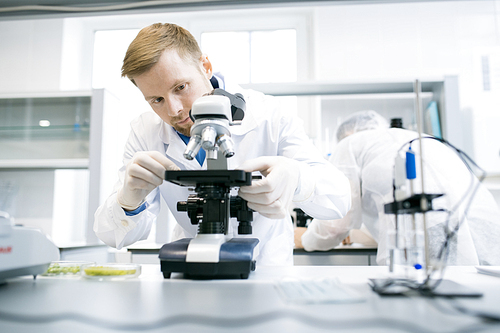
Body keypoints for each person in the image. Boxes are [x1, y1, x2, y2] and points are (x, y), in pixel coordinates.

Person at [93, 23, 351, 266]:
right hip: (191, 267)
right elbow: (115, 237)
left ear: (205, 66)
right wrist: (129, 199)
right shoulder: (144, 131)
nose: (175, 109)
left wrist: (297, 178)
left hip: (265, 268)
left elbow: (339, 201)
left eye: (181, 87)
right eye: (156, 100)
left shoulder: (269, 114)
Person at [295, 110, 500, 266]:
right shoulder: (418, 138)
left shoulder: (348, 144)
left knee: (426, 306)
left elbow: (335, 224)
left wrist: (305, 239)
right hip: (486, 225)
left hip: (428, 230)